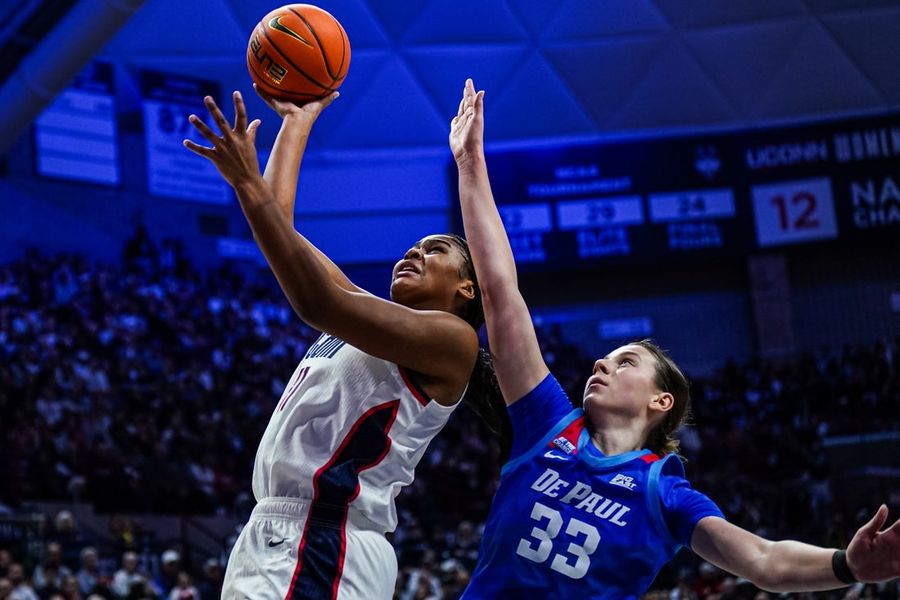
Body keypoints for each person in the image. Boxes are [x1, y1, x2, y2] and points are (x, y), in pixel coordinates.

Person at [449, 78, 900, 597]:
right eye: (606, 358)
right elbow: (502, 294)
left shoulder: (664, 492)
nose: (600, 364)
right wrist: (471, 167)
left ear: (661, 400)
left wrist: (847, 566)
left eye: (625, 362)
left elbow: (764, 560)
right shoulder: (546, 424)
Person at [183, 88, 505, 600]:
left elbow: (315, 304)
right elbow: (279, 228)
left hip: (325, 539)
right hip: (280, 533)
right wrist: (297, 119)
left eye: (435, 250)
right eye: (413, 246)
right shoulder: (360, 313)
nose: (414, 251)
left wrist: (247, 182)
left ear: (467, 288)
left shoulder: (453, 340)